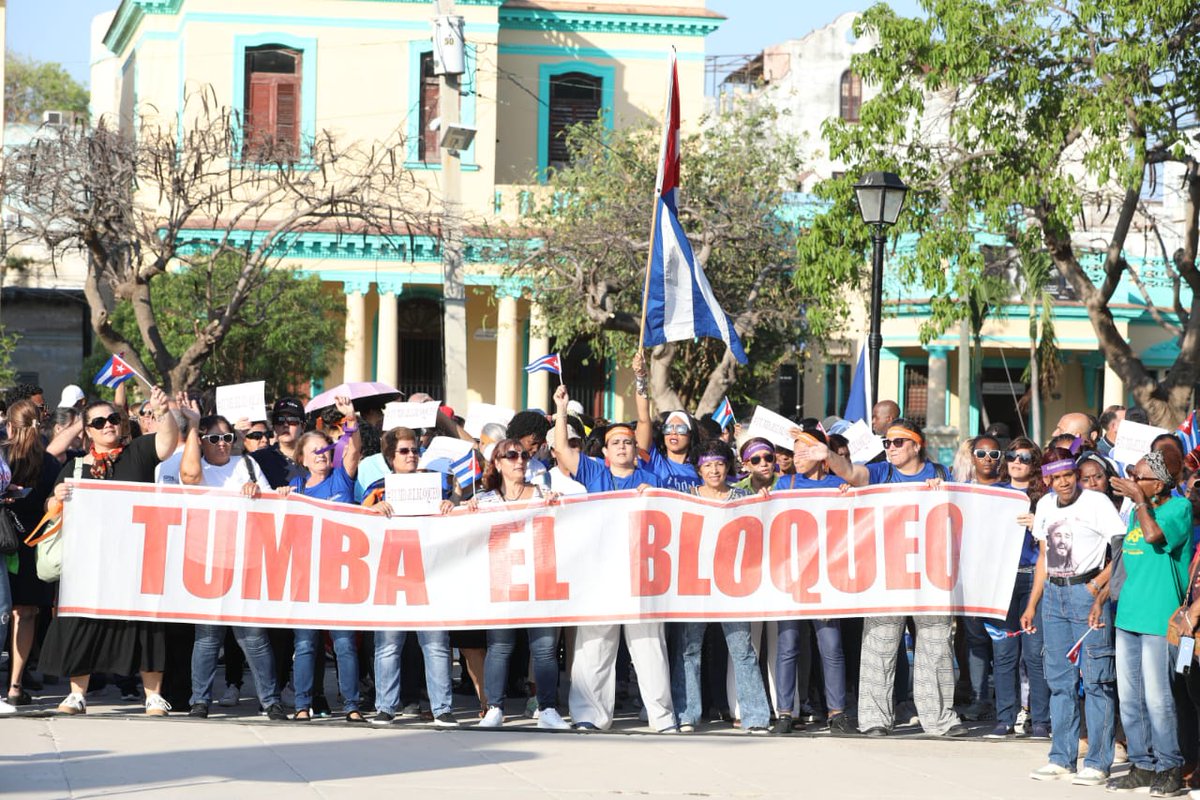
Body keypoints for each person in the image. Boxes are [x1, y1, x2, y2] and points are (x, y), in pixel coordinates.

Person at [801, 419, 965, 737]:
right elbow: (852, 474)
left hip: (929, 576)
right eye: (886, 442)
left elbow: (964, 511)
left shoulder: (941, 474)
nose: (890, 448)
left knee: (936, 646)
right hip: (887, 574)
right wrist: (828, 455)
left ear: (917, 445)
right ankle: (875, 719)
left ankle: (940, 719)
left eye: (898, 442)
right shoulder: (880, 473)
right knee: (880, 645)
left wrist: (946, 494)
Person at [39, 388, 180, 716]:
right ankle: (77, 694)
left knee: (145, 625)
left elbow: (167, 442)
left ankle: (153, 696)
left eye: (114, 419)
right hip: (88, 562)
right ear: (87, 431)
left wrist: (164, 413)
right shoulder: (74, 469)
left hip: (135, 559)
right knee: (81, 624)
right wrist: (56, 496)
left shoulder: (139, 453)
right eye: (99, 422)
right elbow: (49, 507)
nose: (108, 426)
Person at [552, 383, 675, 732]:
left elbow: (672, 514)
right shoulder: (594, 473)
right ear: (605, 451)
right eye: (616, 442)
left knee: (649, 647)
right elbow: (561, 448)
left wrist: (656, 496)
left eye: (628, 442)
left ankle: (661, 718)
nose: (623, 446)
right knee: (594, 645)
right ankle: (590, 716)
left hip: (640, 574)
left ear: (636, 450)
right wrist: (562, 411)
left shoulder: (651, 478)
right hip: (599, 574)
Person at [176, 407, 287, 721]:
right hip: (207, 560)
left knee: (252, 635)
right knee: (208, 636)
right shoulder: (194, 466)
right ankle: (200, 700)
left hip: (245, 561)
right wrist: (194, 426)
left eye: (227, 437)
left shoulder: (247, 464)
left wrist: (258, 494)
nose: (222, 443)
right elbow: (188, 478)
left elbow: (271, 504)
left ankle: (271, 701)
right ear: (202, 441)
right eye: (214, 438)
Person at [1022, 448, 1124, 785]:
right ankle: (1061, 757)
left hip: (1087, 593)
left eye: (1070, 475)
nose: (1065, 482)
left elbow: (1120, 550)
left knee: (1096, 679)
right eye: (1057, 477)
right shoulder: (1045, 506)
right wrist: (1032, 604)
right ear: (1047, 478)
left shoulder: (1097, 503)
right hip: (1053, 594)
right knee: (1059, 681)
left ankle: (1098, 761)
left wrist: (1098, 585)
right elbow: (1042, 558)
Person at [1093, 450, 1191, 795]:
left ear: (1160, 484)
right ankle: (1142, 762)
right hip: (1130, 615)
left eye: (1140, 477)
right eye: (1133, 475)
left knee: (1158, 698)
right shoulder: (1139, 511)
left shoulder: (1178, 508)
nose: (1133, 482)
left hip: (1158, 619)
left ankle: (1169, 766)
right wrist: (1103, 597)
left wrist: (1139, 502)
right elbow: (1127, 559)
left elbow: (1154, 537)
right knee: (1130, 697)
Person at [465, 438, 571, 730]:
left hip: (540, 582)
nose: (519, 460)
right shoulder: (485, 500)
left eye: (523, 455)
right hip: (503, 583)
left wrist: (559, 504)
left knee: (546, 649)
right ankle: (494, 708)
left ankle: (547, 708)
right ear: (497, 464)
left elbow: (568, 521)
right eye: (511, 456)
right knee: (499, 646)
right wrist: (459, 507)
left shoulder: (543, 493)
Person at [668, 438, 771, 734]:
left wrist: (766, 503)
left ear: (728, 466)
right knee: (688, 649)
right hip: (695, 582)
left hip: (732, 586)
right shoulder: (684, 496)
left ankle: (756, 717)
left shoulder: (743, 496)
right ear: (699, 470)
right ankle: (687, 714)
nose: (714, 470)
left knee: (742, 649)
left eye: (720, 464)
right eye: (707, 465)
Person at [363, 426, 460, 727]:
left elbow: (456, 511)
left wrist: (451, 504)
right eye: (404, 451)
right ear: (390, 457)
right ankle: (385, 707)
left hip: (430, 574)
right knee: (389, 644)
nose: (411, 455)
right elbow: (356, 522)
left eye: (415, 449)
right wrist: (373, 510)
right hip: (392, 575)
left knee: (436, 644)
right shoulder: (378, 487)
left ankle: (442, 708)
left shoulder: (436, 484)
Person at [289, 396, 366, 722]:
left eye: (325, 449)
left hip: (340, 575)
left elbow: (353, 451)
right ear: (302, 458)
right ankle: (302, 705)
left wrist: (351, 422)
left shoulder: (340, 478)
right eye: (314, 451)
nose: (321, 455)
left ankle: (352, 706)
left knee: (345, 644)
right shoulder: (295, 486)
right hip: (306, 577)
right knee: (306, 645)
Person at [772, 421, 853, 734]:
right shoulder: (785, 485)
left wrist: (852, 497)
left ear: (822, 454)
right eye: (795, 451)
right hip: (790, 578)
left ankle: (837, 712)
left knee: (830, 646)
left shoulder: (838, 485)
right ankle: (784, 712)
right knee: (788, 644)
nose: (798, 456)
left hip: (825, 578)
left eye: (806, 450)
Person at [985, 438, 1050, 740]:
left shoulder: (1046, 499)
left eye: (1024, 457)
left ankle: (1039, 719)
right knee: (1004, 653)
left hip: (1034, 580)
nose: (1016, 461)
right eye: (1011, 456)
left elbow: (1061, 535)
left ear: (1034, 463)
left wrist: (1040, 525)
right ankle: (1005, 717)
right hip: (1001, 580)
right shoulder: (992, 493)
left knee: (1035, 655)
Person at [3, 400, 62, 708]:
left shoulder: (3, 456)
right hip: (33, 545)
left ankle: (10, 686)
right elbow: (53, 507)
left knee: (6, 615)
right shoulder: (50, 463)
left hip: (4, 545)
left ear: (9, 426)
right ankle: (15, 684)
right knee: (25, 615)